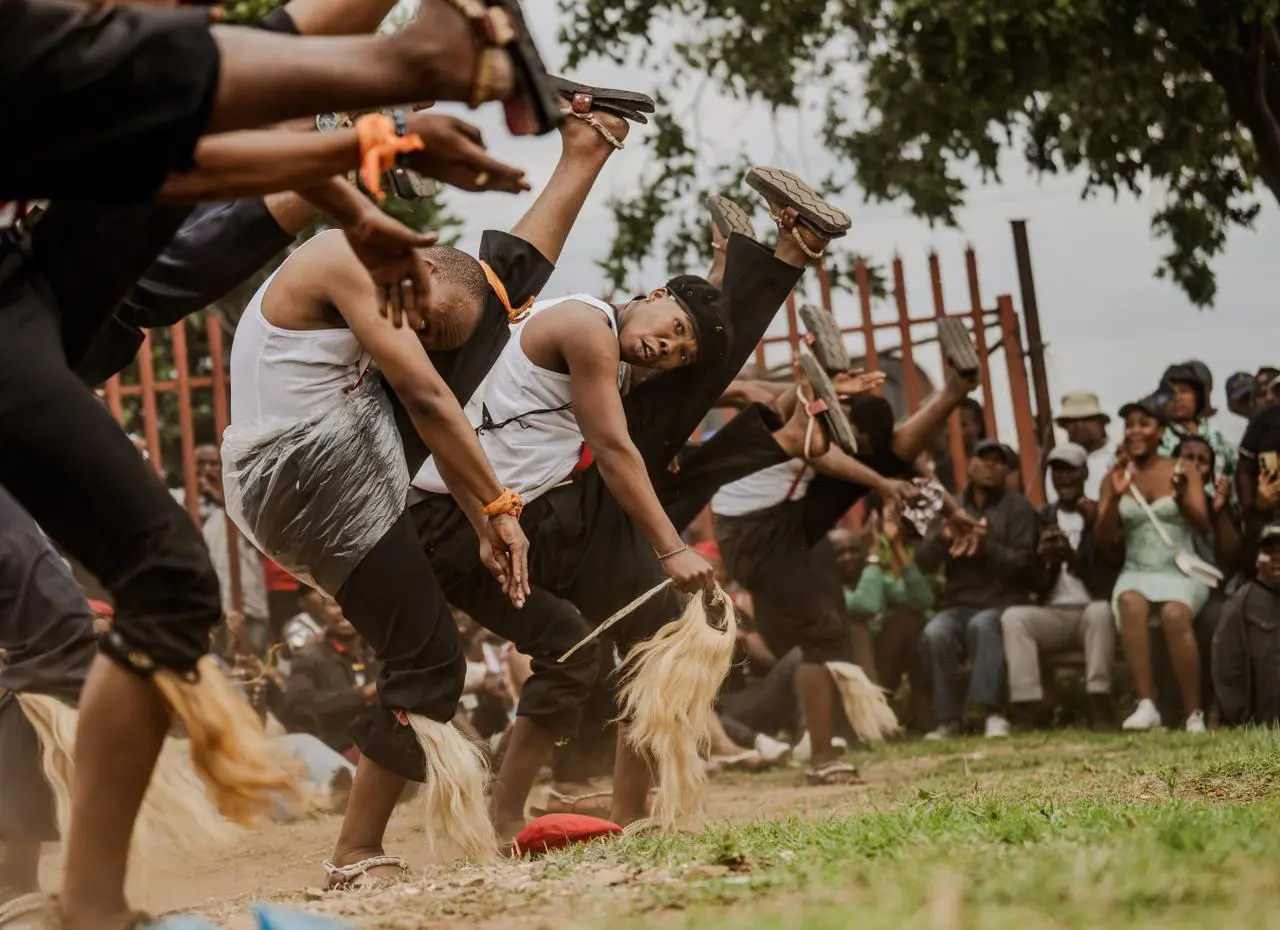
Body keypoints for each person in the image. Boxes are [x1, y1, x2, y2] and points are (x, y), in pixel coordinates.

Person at [411, 167, 857, 825]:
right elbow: (619, 447)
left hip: (538, 510)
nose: (667, 347)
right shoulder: (588, 325)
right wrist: (672, 548)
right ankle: (789, 255)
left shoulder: (616, 345)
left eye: (676, 348)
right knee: (672, 428)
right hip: (490, 513)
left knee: (656, 637)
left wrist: (718, 284)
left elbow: (678, 353)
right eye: (671, 329)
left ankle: (622, 816)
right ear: (649, 294)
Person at [1095, 397, 1212, 733]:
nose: (1135, 431)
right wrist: (1116, 497)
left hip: (1179, 568)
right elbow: (1103, 543)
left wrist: (1180, 498)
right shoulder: (1114, 477)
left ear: (1160, 430)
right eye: (1129, 424)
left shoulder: (1182, 468)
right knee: (1129, 601)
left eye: (1143, 424)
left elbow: (1204, 526)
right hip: (1137, 569)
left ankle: (1194, 714)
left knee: (1175, 614)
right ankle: (1146, 704)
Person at [917, 439, 1038, 740]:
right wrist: (944, 537)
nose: (989, 466)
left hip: (1003, 602)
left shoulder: (1019, 508)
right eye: (983, 458)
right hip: (958, 605)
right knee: (936, 632)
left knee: (983, 625)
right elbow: (924, 563)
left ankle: (993, 713)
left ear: (1007, 472)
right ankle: (948, 719)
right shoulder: (951, 507)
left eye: (999, 462)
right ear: (970, 464)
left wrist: (988, 547)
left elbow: (1027, 566)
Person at [1000, 443, 1118, 731]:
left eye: (1070, 470)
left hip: (1089, 611)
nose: (1063, 477)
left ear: (1084, 473)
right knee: (1014, 618)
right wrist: (1046, 560)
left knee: (1102, 611)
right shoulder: (1041, 516)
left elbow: (1105, 582)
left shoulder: (1098, 514)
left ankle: (1099, 703)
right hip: (1053, 612)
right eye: (1056, 470)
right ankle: (1027, 707)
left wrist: (1072, 557)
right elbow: (1034, 584)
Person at [831, 504, 935, 731]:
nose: (848, 557)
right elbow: (863, 606)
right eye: (840, 553)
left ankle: (925, 716)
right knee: (856, 624)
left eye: (853, 550)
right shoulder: (828, 587)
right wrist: (874, 560)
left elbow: (923, 600)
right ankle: (874, 722)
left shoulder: (872, 579)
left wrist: (896, 547)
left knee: (910, 620)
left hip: (880, 670)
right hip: (848, 682)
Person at [284, 596, 380, 758]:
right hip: (333, 750)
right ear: (322, 612)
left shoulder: (381, 651)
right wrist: (362, 694)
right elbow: (300, 703)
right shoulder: (308, 656)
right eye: (334, 604)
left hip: (384, 747)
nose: (343, 611)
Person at [1212, 523, 1280, 725]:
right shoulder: (1240, 604)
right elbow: (1226, 667)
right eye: (1270, 550)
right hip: (1263, 718)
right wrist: (1240, 716)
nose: (1277, 556)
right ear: (1258, 559)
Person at [1158, 363, 1236, 484]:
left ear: (1197, 396)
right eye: (1169, 393)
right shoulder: (1158, 435)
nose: (1176, 398)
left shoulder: (1215, 433)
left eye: (1184, 391)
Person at [1053, 390, 1113, 499]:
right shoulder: (1057, 465)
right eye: (1071, 421)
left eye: (1086, 419)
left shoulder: (1119, 457)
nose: (1079, 425)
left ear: (1101, 422)